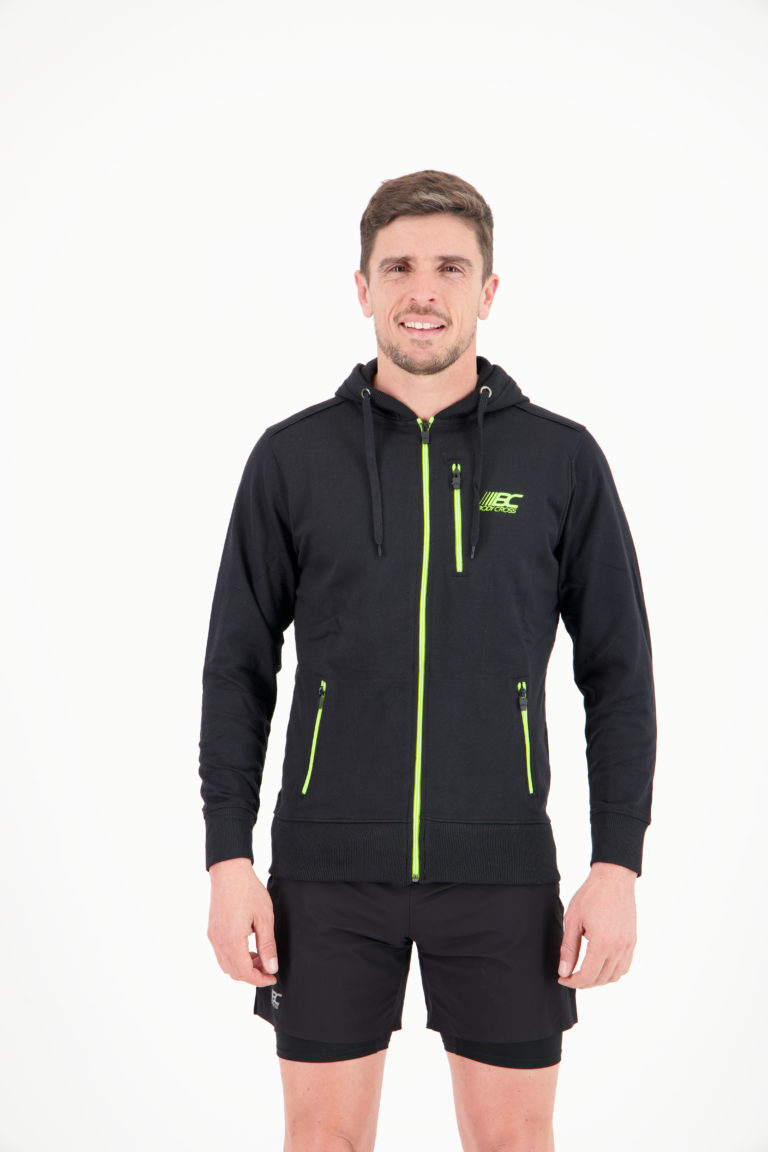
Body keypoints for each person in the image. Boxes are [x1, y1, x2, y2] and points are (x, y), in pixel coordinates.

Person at [198, 169, 656, 1152]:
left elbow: (618, 674)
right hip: (325, 875)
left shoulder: (560, 460)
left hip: (501, 871)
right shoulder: (292, 458)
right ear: (361, 287)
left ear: (488, 290)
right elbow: (236, 667)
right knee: (323, 1142)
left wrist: (617, 863)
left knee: (513, 1145)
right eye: (399, 266)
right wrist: (228, 858)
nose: (423, 291)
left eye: (450, 267)